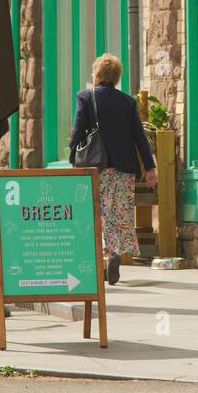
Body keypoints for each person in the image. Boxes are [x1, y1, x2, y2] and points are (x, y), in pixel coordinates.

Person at [68, 53, 157, 286]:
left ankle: (102, 259)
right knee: (120, 214)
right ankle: (114, 253)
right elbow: (140, 137)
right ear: (116, 78)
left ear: (96, 75)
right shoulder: (127, 102)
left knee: (97, 213)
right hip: (124, 168)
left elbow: (77, 132)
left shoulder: (86, 97)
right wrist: (150, 167)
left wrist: (71, 158)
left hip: (95, 167)